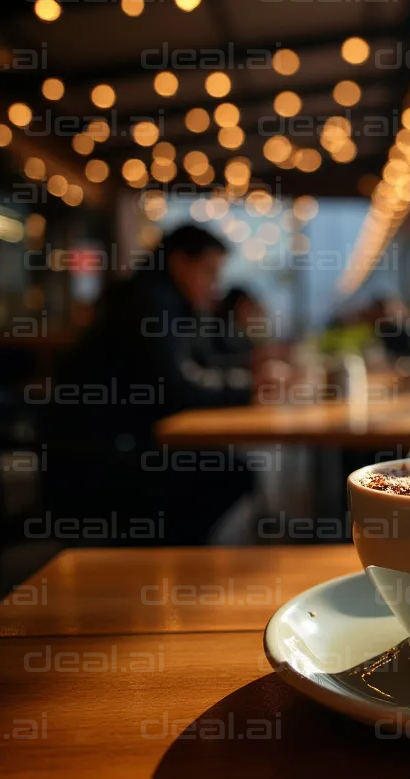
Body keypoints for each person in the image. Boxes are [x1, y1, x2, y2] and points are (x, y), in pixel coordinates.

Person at [43, 223, 256, 545]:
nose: (214, 285)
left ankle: (169, 557)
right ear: (179, 262)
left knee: (223, 467)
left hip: (108, 449)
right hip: (95, 463)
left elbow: (201, 365)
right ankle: (162, 559)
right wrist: (250, 389)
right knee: (228, 474)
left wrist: (247, 379)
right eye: (209, 272)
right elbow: (179, 389)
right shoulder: (150, 302)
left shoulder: (159, 299)